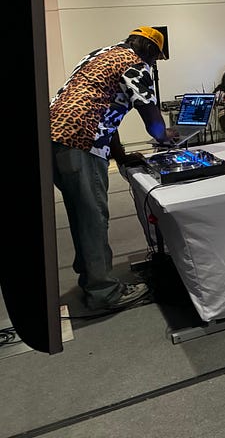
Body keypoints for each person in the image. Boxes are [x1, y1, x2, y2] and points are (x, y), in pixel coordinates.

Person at [50, 26, 179, 310]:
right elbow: (152, 116)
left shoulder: (99, 55)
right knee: (93, 217)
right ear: (151, 51)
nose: (153, 64)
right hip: (80, 142)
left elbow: (105, 110)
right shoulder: (136, 64)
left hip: (53, 139)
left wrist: (120, 157)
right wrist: (166, 135)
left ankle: (91, 277)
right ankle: (103, 293)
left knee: (80, 212)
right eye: (155, 58)